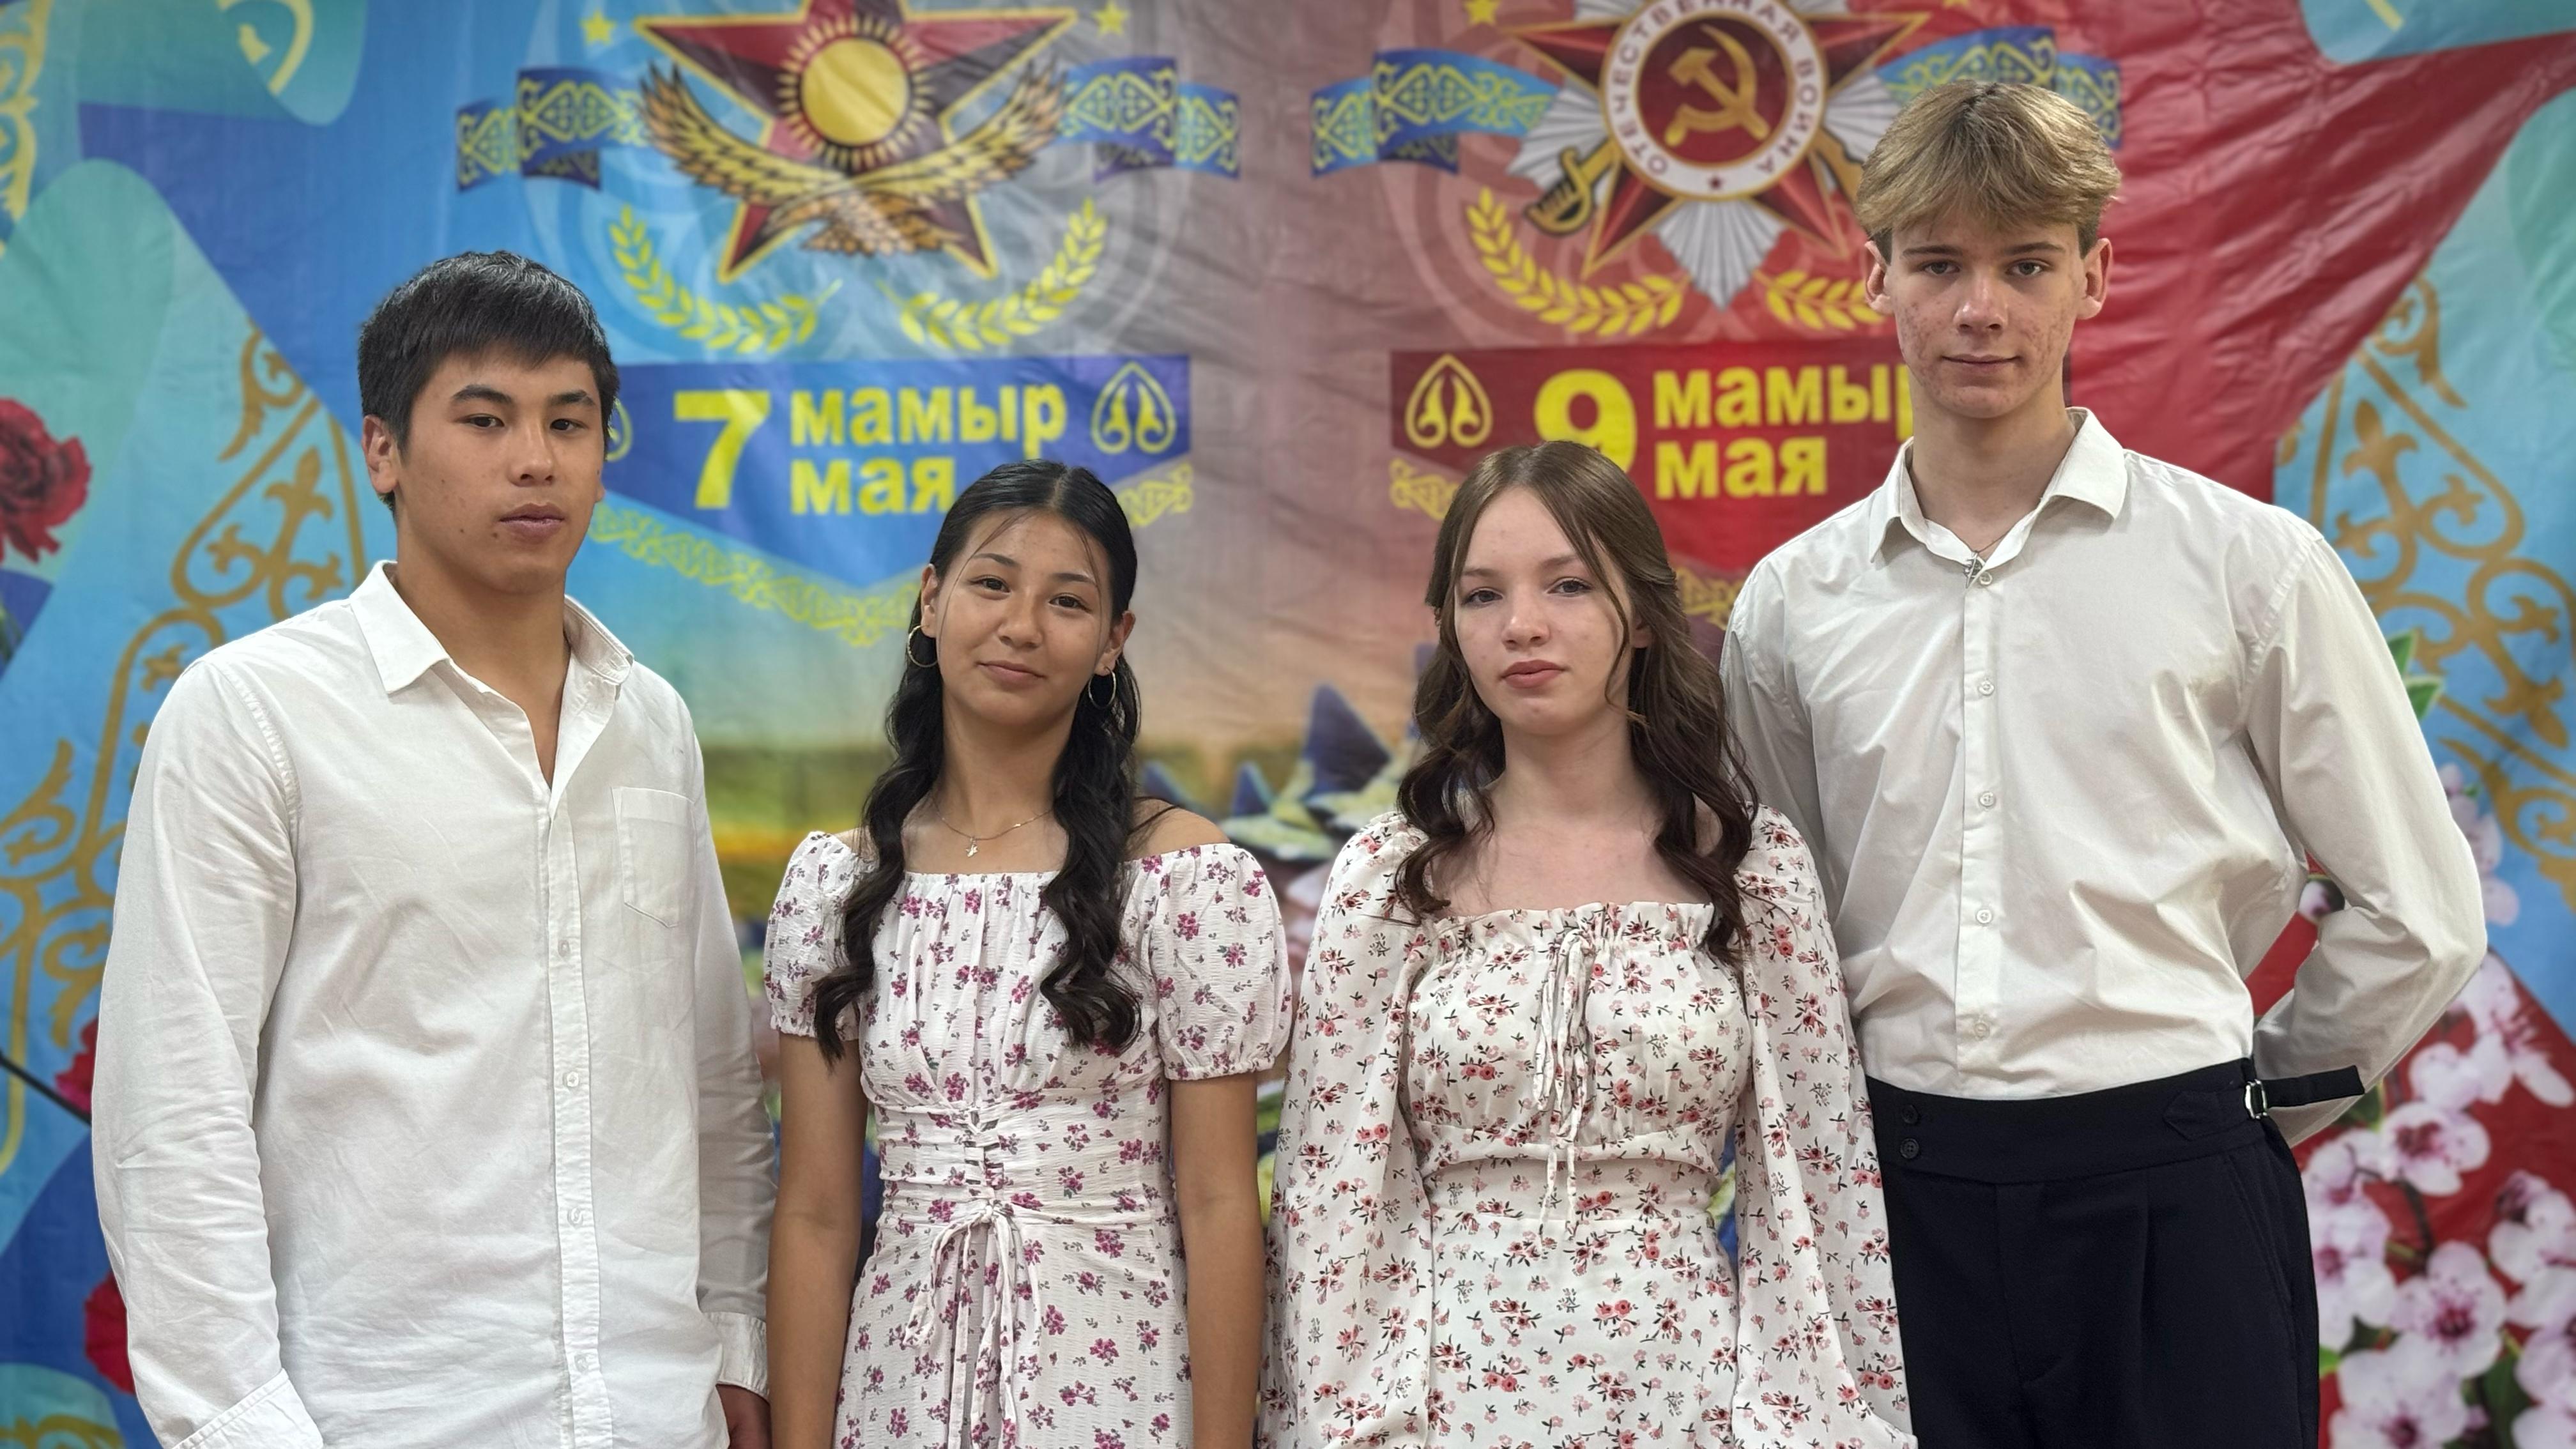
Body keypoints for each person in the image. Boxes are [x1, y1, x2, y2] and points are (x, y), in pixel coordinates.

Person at [1719, 80, 2488, 1448]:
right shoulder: (1793, 604)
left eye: (2026, 265)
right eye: (1940, 265)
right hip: (1897, 1197)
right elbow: (1788, 928)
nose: (1982, 310)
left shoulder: (2248, 567)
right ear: (1875, 278)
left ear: (2095, 275)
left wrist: (2245, 1111)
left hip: (2180, 1184)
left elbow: (2420, 913)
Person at [90, 252, 775, 1447]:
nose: (536, 460)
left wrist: (735, 1350)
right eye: (486, 419)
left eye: (570, 421)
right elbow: (173, 1113)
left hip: (657, 1412)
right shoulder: (254, 712)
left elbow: (711, 1081)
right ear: (383, 451)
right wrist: (246, 1428)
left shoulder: (649, 721)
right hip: (383, 1416)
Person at [1262, 441, 1910, 1447]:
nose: (1523, 625)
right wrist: (1352, 1421)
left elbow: (1820, 1182)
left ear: (1641, 615)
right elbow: (1330, 1195)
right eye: (1483, 596)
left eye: (1567, 585)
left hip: (1688, 1394)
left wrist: (1813, 1420)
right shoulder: (1394, 875)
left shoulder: (1750, 865)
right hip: (1443, 1405)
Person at [761, 459, 1291, 1449]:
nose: (1021, 626)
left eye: (1068, 601)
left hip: (1118, 1391)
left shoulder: (1181, 878)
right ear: (931, 601)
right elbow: (818, 1215)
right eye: (992, 584)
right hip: (898, 1396)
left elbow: (1222, 1203)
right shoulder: (837, 885)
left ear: (1112, 642)